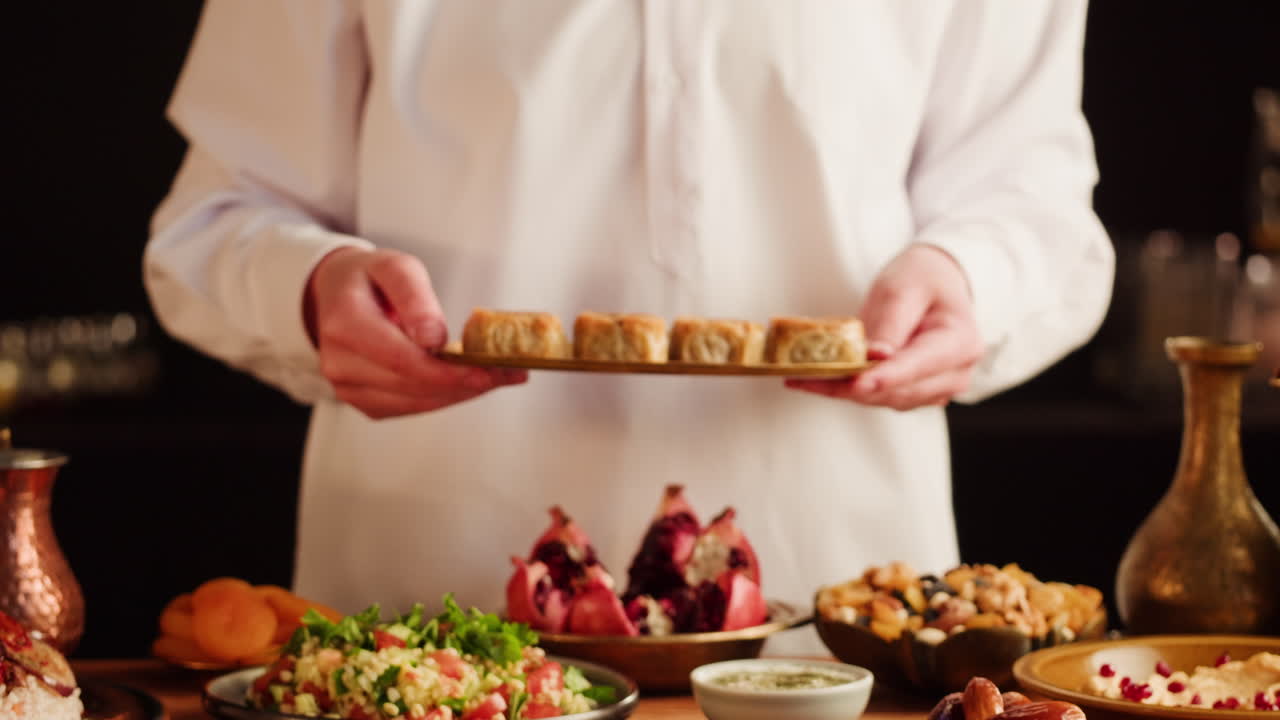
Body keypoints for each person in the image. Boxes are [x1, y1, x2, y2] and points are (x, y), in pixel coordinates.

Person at [145, 1, 1113, 653]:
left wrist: (968, 275)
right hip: (426, 601)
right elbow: (213, 215)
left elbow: (1035, 202)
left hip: (841, 610)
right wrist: (307, 290)